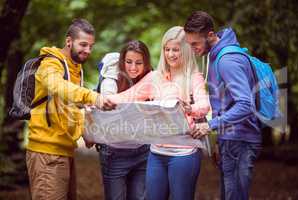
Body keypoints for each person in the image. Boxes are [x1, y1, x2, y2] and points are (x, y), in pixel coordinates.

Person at [108, 26, 210, 200]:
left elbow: (204, 104)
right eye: (167, 49)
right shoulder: (155, 77)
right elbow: (128, 96)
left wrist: (190, 108)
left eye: (176, 49)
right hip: (156, 152)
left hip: (184, 153)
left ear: (185, 49)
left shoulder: (193, 77)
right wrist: (98, 100)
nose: (171, 54)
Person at [25, 18, 115, 200]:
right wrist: (93, 97)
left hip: (65, 151)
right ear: (69, 41)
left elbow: (68, 109)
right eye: (83, 44)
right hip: (47, 152)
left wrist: (86, 132)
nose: (88, 50)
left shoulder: (75, 69)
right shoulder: (50, 63)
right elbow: (57, 86)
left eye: (91, 46)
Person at [184, 11, 262, 200]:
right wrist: (220, 140)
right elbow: (226, 103)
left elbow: (245, 104)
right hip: (232, 139)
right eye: (190, 44)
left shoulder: (227, 60)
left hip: (240, 141)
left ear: (210, 35)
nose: (193, 48)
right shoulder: (217, 55)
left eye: (195, 43)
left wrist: (209, 126)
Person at [96, 40, 152, 200]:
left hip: (143, 151)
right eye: (128, 62)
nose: (133, 67)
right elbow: (110, 113)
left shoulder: (150, 78)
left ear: (146, 63)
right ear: (122, 61)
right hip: (115, 153)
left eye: (138, 63)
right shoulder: (111, 81)